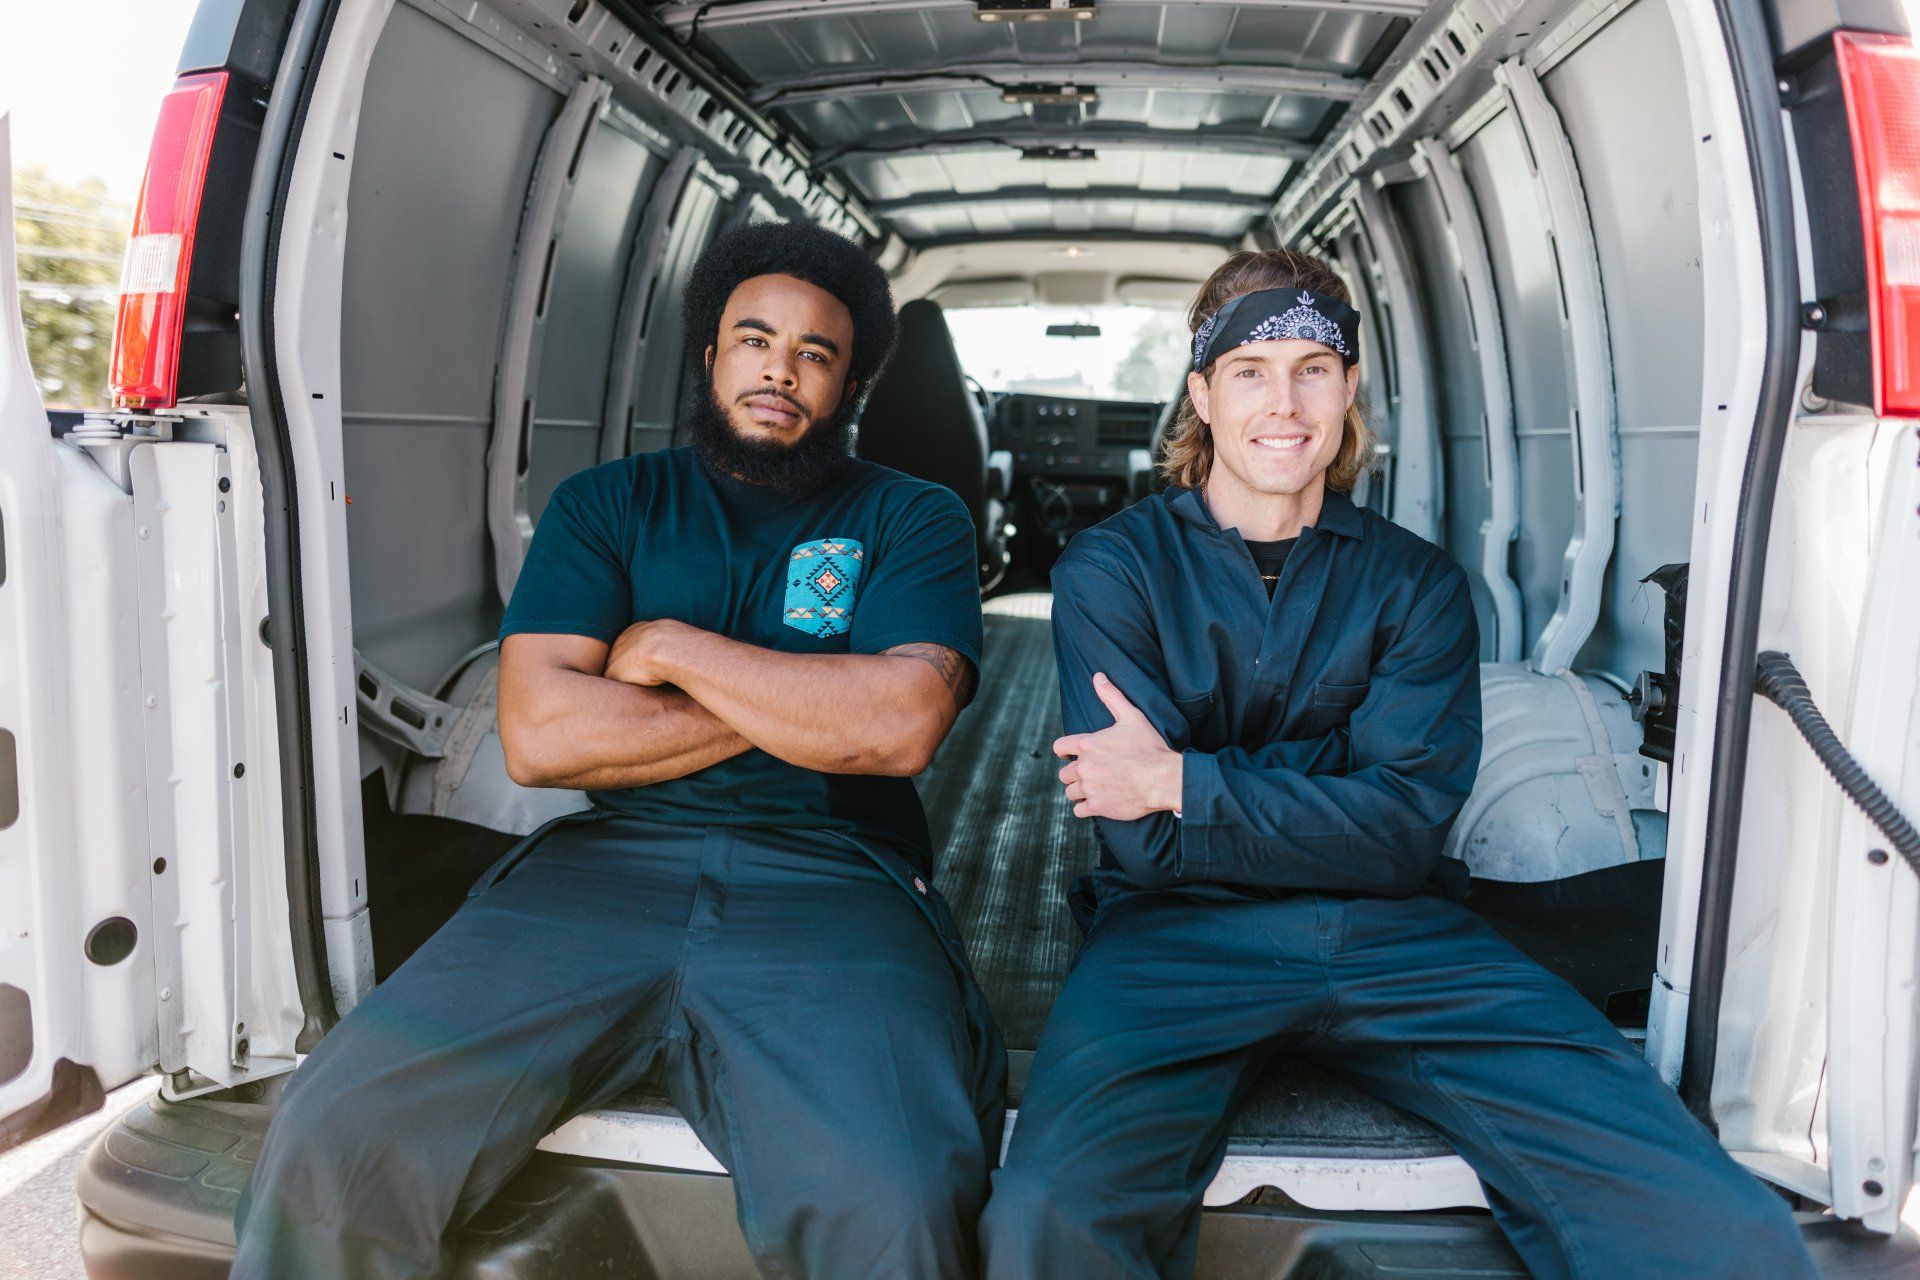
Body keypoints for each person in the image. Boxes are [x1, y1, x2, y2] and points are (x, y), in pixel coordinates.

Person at [976, 248, 1817, 1280]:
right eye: (1250, 370)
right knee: (1047, 1217)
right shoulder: (1114, 569)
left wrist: (1186, 780)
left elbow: (1401, 834)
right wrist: (1312, 795)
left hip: (1404, 936)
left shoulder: (1415, 583)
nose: (1283, 403)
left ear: (1348, 391)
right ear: (1200, 391)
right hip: (1175, 937)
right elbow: (1144, 846)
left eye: (1314, 370)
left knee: (1714, 1222)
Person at [233, 221, 1005, 1280]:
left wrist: (673, 648)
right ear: (709, 356)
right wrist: (814, 698)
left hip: (834, 879)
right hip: (600, 872)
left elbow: (902, 727)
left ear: (850, 384)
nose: (779, 368)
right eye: (754, 338)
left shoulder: (913, 515)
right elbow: (544, 738)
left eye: (815, 353)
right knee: (334, 1133)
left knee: (897, 1200)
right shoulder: (607, 504)